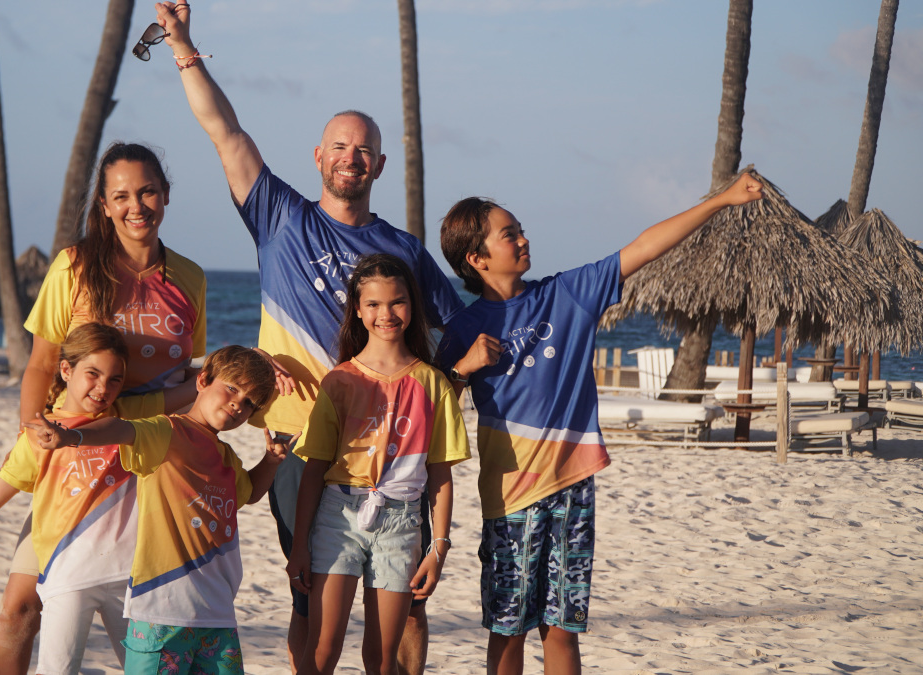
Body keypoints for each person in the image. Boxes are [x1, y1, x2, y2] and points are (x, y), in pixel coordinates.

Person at [154, 3, 464, 671]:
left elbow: (457, 332)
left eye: (364, 150)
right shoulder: (281, 218)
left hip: (391, 449)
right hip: (298, 444)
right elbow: (225, 132)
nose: (351, 158)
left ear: (379, 165)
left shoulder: (403, 250)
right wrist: (183, 46)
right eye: (340, 147)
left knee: (408, 604)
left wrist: (457, 382)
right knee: (310, 601)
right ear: (319, 157)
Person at [433, 172, 764, 674]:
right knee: (508, 630)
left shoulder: (568, 294)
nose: (523, 240)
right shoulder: (463, 328)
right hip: (510, 496)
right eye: (509, 234)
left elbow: (644, 247)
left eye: (521, 230)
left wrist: (722, 200)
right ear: (477, 259)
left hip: (572, 486)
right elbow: (434, 407)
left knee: (562, 629)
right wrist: (463, 368)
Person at [0, 141, 206, 675]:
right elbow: (41, 365)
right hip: (76, 459)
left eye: (147, 191)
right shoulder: (75, 267)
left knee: (152, 620)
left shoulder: (190, 277)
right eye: (121, 196)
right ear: (104, 206)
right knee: (21, 607)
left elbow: (189, 378)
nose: (136, 206)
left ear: (166, 194)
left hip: (150, 463)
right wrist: (31, 432)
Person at [27, 345, 291, 674]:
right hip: (163, 611)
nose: (239, 404)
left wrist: (272, 461)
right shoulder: (167, 431)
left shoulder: (226, 457)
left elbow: (248, 494)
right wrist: (71, 436)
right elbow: (120, 429)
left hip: (217, 611)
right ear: (203, 380)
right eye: (232, 388)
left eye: (250, 402)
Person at [0, 323, 137, 675]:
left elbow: (194, 396)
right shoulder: (37, 438)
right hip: (66, 574)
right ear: (66, 370)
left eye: (115, 380)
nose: (102, 388)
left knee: (147, 668)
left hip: (126, 575)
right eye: (92, 374)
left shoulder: (128, 419)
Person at [285, 255, 470, 675]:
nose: (386, 314)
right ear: (357, 309)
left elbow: (440, 474)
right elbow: (314, 470)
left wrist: (438, 548)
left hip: (402, 522)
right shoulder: (340, 380)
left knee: (382, 658)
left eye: (397, 302)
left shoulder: (433, 383)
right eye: (373, 304)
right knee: (322, 649)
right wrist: (299, 546)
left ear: (413, 306)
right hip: (338, 517)